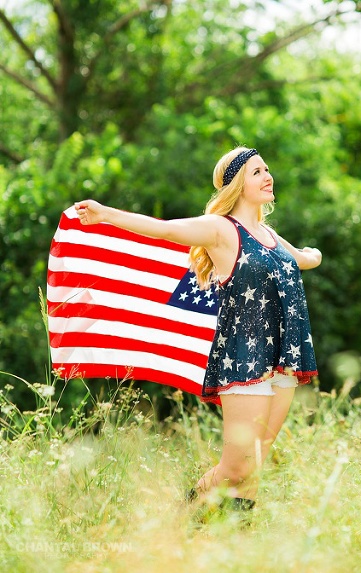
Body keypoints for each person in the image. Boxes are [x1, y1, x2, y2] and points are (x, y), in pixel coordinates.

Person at [75, 146, 321, 509]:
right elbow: (163, 230)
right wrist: (105, 214)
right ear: (236, 184)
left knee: (256, 460)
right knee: (236, 467)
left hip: (282, 359)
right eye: (256, 172)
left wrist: (314, 255)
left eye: (267, 169)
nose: (268, 176)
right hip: (245, 360)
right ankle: (182, 517)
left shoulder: (267, 233)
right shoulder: (220, 229)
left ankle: (234, 539)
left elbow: (300, 260)